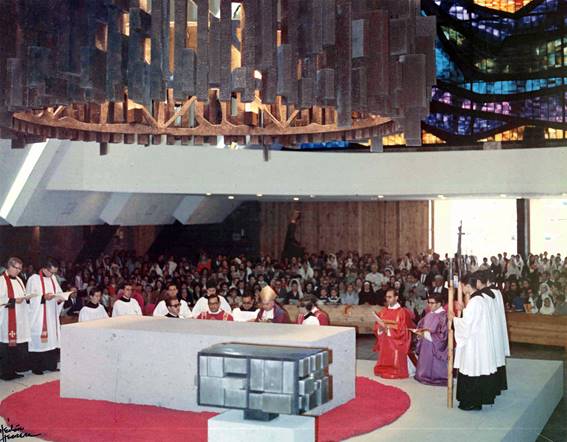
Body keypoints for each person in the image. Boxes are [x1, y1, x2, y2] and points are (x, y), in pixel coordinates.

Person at [451, 273, 499, 411]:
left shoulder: (475, 302)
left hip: (474, 342)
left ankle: (471, 402)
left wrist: (454, 319)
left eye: (461, 286)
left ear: (466, 286)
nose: (461, 289)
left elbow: (467, 325)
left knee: (471, 368)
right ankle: (475, 401)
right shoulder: (480, 299)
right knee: (475, 369)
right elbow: (472, 319)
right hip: (479, 339)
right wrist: (463, 311)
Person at [26, 257, 71, 375]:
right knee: (39, 341)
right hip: (39, 316)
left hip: (51, 315)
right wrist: (42, 297)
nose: (52, 275)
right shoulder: (33, 279)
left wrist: (61, 298)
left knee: (52, 340)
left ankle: (50, 365)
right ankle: (37, 367)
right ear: (44, 269)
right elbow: (29, 298)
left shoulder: (53, 278)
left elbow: (58, 293)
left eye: (54, 272)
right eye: (51, 272)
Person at [372, 288, 415, 379]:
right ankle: (385, 367)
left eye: (390, 297)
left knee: (395, 358)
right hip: (385, 340)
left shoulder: (402, 312)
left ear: (396, 297)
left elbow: (405, 330)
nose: (387, 299)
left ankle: (397, 368)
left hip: (396, 341)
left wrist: (388, 330)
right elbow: (377, 324)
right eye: (386, 297)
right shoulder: (383, 311)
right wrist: (380, 329)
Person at [0, 257, 30, 380]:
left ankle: (13, 371)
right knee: (6, 347)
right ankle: (5, 373)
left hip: (19, 318)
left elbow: (22, 294)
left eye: (20, 269)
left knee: (16, 347)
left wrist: (26, 297)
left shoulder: (19, 280)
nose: (18, 271)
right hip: (7, 319)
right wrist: (13, 300)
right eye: (16, 268)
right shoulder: (1, 280)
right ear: (9, 266)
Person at [414, 293, 448, 386]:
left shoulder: (444, 316)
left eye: (432, 303)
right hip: (425, 344)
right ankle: (423, 375)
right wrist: (419, 334)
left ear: (439, 303)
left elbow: (443, 336)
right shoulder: (428, 314)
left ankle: (437, 378)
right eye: (428, 302)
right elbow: (421, 326)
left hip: (435, 346)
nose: (429, 305)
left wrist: (427, 334)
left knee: (434, 364)